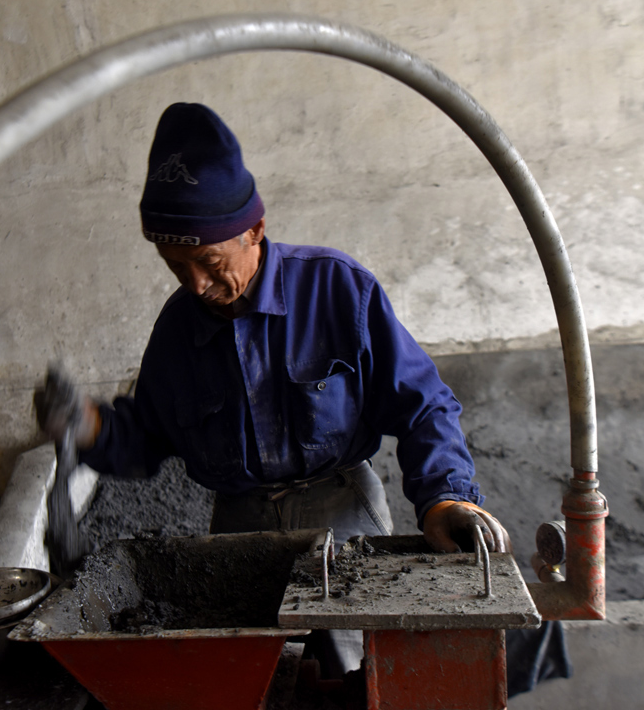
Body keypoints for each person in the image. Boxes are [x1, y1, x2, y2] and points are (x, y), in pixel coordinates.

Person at [35, 102, 513, 676]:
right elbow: (150, 435)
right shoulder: (177, 331)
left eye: (209, 261)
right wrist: (90, 427)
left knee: (355, 673)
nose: (197, 284)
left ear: (255, 231)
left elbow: (423, 404)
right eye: (174, 265)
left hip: (340, 515)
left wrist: (446, 497)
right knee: (252, 677)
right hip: (240, 531)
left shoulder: (338, 290)